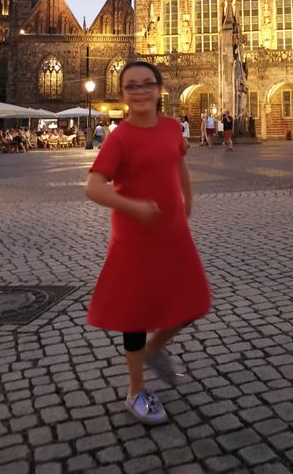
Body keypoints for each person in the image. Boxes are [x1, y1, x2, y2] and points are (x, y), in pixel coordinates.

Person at [85, 60, 211, 426]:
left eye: (146, 84)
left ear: (159, 90)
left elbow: (179, 163)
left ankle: (155, 349)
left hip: (172, 232)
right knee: (136, 314)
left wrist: (187, 199)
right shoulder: (119, 137)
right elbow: (93, 187)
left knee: (195, 301)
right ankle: (136, 390)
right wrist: (133, 206)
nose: (140, 91)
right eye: (132, 86)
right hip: (134, 238)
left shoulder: (172, 127)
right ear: (124, 95)